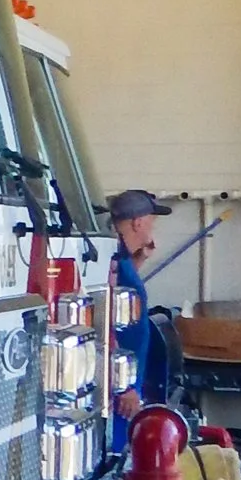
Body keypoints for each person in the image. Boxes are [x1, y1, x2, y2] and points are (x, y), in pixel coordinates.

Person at [106, 188, 174, 448]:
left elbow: (124, 295)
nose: (152, 228)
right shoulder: (110, 261)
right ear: (138, 222)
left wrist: (140, 260)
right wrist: (123, 385)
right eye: (151, 221)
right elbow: (107, 323)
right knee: (115, 447)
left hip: (128, 378)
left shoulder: (120, 259)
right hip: (119, 388)